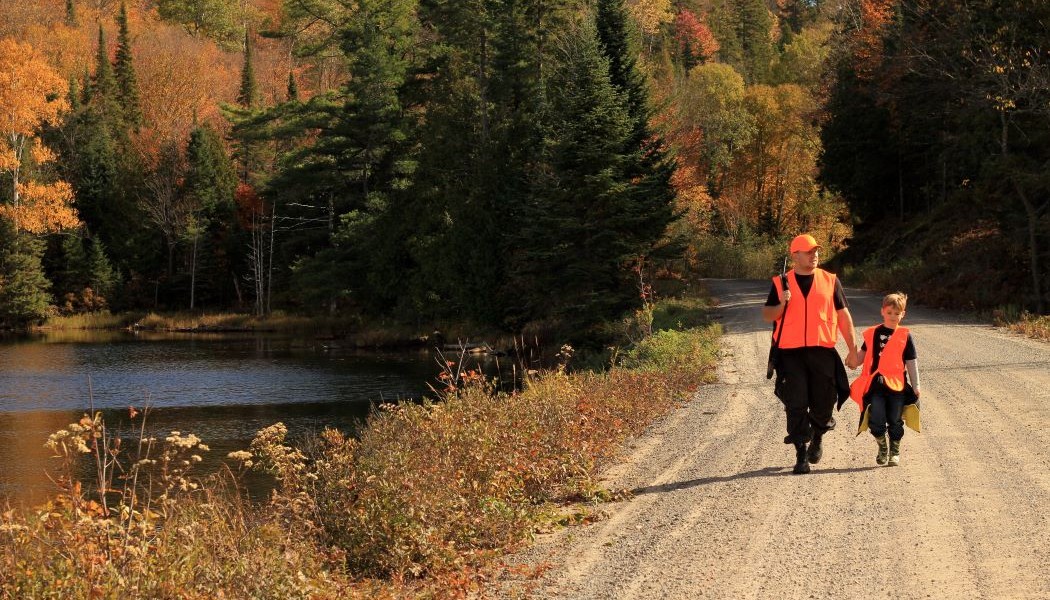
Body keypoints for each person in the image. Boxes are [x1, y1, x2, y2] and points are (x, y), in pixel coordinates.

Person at [762, 234, 859, 475]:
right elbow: (768, 315)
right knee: (796, 403)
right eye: (808, 251)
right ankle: (800, 453)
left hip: (822, 352)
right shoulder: (780, 283)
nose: (814, 255)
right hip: (790, 354)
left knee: (824, 402)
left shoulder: (830, 280)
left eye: (816, 250)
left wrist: (853, 349)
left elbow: (844, 317)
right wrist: (782, 304)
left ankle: (817, 435)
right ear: (795, 255)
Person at [848, 292, 922, 466]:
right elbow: (862, 356)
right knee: (877, 417)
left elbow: (911, 362)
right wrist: (853, 360)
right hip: (876, 384)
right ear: (882, 312)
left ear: (903, 314)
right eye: (889, 313)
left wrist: (916, 385)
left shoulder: (905, 335)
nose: (893, 317)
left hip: (897, 386)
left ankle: (894, 451)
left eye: (897, 314)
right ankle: (882, 447)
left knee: (895, 418)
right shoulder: (873, 333)